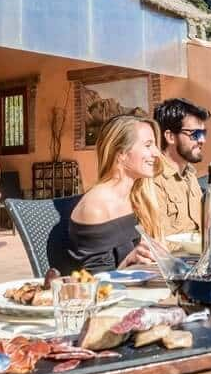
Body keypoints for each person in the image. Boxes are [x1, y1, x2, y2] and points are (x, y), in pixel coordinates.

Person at [53, 115, 161, 274]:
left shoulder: (135, 198)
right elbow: (97, 285)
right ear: (121, 153)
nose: (157, 153)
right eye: (148, 145)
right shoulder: (95, 208)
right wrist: (129, 261)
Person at [151, 98, 211, 237]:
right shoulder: (154, 180)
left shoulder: (189, 175)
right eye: (195, 134)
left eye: (203, 133)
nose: (202, 140)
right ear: (171, 136)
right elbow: (157, 243)